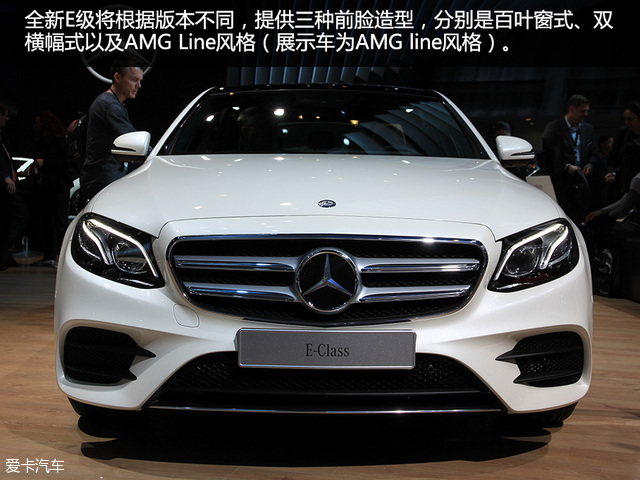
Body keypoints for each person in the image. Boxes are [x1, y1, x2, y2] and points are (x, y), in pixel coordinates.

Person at [80, 54, 145, 203]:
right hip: (103, 181)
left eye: (140, 81)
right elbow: (134, 142)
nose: (138, 86)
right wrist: (155, 155)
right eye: (134, 80)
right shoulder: (110, 106)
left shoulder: (106, 101)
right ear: (117, 77)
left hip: (99, 179)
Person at [539, 94, 596, 226]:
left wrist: (590, 164)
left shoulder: (587, 128)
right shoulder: (554, 127)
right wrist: (566, 167)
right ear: (571, 109)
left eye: (587, 111)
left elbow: (593, 152)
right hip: (561, 183)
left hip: (582, 181)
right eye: (582, 111)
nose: (586, 114)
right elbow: (546, 156)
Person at [31, 111, 73, 267]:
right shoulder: (47, 140)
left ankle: (61, 256)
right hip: (52, 185)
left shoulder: (57, 140)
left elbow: (66, 161)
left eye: (38, 122)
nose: (35, 126)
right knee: (50, 221)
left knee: (59, 221)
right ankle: (52, 256)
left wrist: (45, 163)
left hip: (58, 185)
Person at [0, 103, 29, 269]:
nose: (7, 118)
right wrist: (5, 176)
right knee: (19, 214)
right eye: (5, 115)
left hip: (8, 182)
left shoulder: (3, 135)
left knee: (13, 216)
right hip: (4, 183)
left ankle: (6, 254)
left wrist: (12, 173)